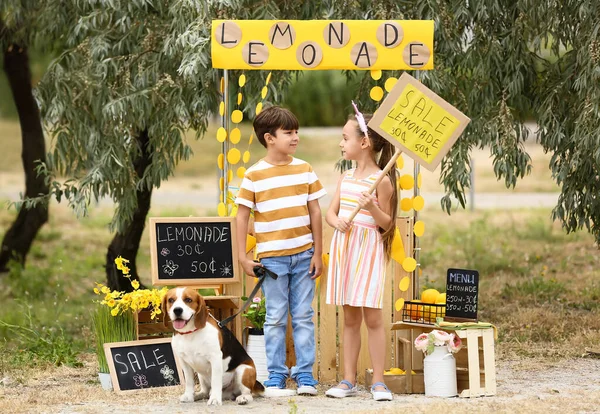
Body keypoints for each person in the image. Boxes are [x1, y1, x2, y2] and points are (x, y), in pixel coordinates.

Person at [235, 106, 326, 397]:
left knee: (302, 316)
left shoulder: (305, 170)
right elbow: (241, 217)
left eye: (296, 131)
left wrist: (317, 252)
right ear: (269, 138)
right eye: (289, 132)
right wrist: (242, 257)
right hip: (272, 260)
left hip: (303, 255)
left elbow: (315, 212)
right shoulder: (253, 175)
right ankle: (275, 375)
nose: (295, 137)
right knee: (275, 317)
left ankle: (305, 376)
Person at [324, 103, 398, 401]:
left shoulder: (382, 181)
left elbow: (387, 224)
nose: (341, 143)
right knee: (350, 319)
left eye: (345, 138)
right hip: (345, 250)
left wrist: (372, 208)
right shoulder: (346, 177)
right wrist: (337, 221)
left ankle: (379, 381)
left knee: (374, 319)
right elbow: (331, 212)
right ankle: (348, 380)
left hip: (367, 251)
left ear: (364, 142)